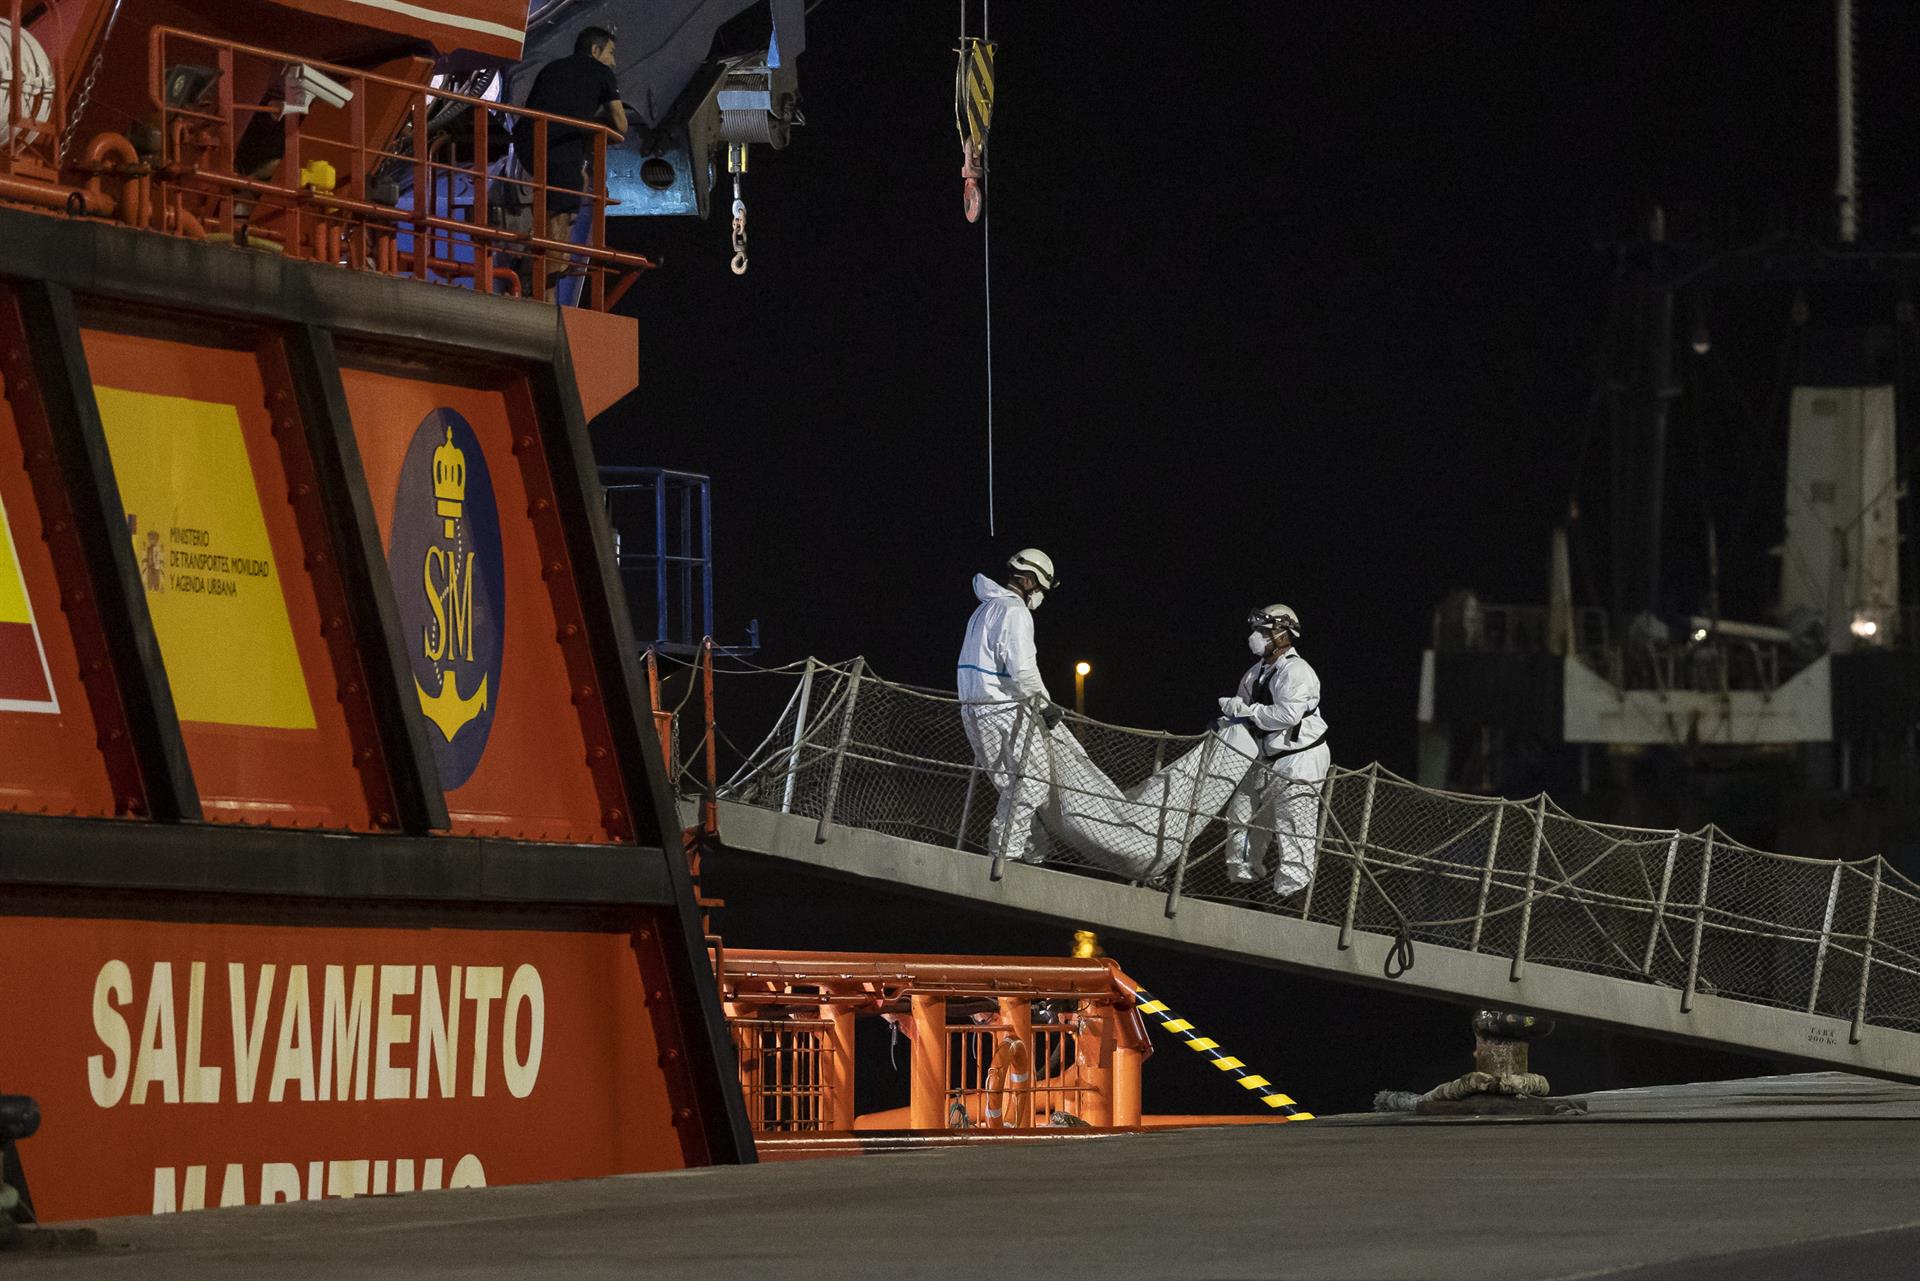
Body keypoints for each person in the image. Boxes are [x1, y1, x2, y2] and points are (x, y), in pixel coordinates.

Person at [957, 549, 1063, 864]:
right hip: (1002, 710)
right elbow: (1023, 671)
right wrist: (1046, 706)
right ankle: (1008, 852)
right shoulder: (1016, 612)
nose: (1041, 595)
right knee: (1033, 783)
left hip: (973, 710)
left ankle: (1033, 850)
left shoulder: (984, 609)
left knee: (1010, 785)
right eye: (1041, 588)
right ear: (1029, 581)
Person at [1218, 604, 1329, 896]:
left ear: (1283, 635)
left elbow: (1287, 715)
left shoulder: (1298, 672)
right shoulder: (1255, 673)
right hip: (1264, 755)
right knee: (1240, 812)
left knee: (1293, 823)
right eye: (1257, 630)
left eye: (1264, 631)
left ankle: (1291, 894)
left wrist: (1247, 711)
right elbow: (1243, 708)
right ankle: (1242, 880)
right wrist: (1227, 719)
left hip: (1299, 757)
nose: (1257, 636)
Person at [513, 26, 628, 253]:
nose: (613, 62)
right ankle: (548, 282)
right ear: (595, 50)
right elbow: (621, 125)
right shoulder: (601, 72)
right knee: (559, 215)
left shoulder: (552, 67)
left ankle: (544, 252)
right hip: (559, 147)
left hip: (527, 144)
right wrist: (599, 124)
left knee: (578, 181)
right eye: (611, 53)